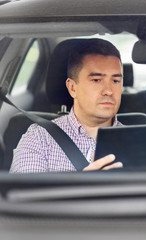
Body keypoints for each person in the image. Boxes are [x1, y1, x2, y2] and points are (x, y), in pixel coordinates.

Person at [10, 38, 124, 173]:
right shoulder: (40, 139)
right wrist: (83, 186)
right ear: (72, 88)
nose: (108, 91)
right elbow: (23, 193)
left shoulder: (139, 141)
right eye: (96, 80)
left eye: (116, 80)